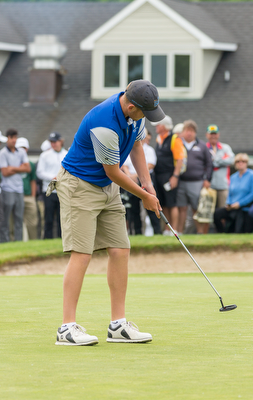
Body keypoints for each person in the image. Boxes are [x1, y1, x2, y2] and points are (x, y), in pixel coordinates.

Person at [54, 79, 162, 346]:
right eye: (145, 112)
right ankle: (66, 328)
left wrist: (148, 184)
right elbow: (112, 171)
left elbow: (137, 147)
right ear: (131, 105)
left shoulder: (137, 115)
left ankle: (118, 325)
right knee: (82, 253)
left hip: (106, 187)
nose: (146, 118)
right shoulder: (105, 123)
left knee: (119, 249)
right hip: (78, 184)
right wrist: (144, 196)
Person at [177, 120, 212, 234]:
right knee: (181, 208)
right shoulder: (178, 144)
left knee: (196, 208)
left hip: (197, 182)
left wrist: (207, 179)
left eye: (192, 131)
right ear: (183, 132)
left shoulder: (202, 146)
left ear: (195, 133)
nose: (189, 133)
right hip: (181, 181)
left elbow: (209, 164)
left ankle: (200, 233)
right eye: (187, 130)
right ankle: (179, 232)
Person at [152, 115, 185, 236]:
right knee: (164, 203)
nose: (156, 127)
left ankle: (174, 229)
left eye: (159, 125)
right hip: (159, 175)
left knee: (172, 203)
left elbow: (179, 159)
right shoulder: (158, 139)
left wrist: (175, 176)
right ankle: (167, 229)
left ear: (165, 126)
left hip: (170, 175)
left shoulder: (174, 139)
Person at [0, 129, 30, 242]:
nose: (14, 140)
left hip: (19, 189)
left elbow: (28, 168)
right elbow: (5, 173)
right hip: (7, 189)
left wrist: (12, 167)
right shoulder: (2, 153)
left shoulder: (21, 152)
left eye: (15, 137)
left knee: (19, 217)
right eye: (12, 138)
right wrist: (20, 168)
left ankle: (18, 242)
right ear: (7, 138)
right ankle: (4, 242)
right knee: (6, 218)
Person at [213, 153, 253, 233]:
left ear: (246, 163)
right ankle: (221, 233)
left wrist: (239, 204)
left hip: (245, 207)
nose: (240, 163)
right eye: (238, 161)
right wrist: (228, 203)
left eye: (243, 161)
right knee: (217, 214)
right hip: (232, 207)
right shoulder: (233, 177)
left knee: (238, 229)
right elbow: (230, 193)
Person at [36, 132, 67, 239]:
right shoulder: (45, 155)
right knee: (48, 218)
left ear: (60, 141)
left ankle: (61, 239)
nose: (53, 144)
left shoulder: (67, 154)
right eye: (51, 142)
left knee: (61, 218)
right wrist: (53, 177)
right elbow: (40, 172)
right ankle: (47, 239)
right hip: (48, 190)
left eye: (55, 141)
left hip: (62, 191)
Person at [205, 124, 234, 233]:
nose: (213, 136)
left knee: (222, 211)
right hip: (209, 186)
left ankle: (222, 232)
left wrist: (214, 161)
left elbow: (230, 159)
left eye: (215, 134)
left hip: (223, 186)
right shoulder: (204, 147)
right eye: (211, 134)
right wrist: (219, 160)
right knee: (208, 211)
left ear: (218, 135)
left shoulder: (225, 147)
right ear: (207, 135)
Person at [15, 137, 39, 240]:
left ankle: (33, 242)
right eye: (19, 148)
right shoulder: (11, 162)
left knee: (32, 223)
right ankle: (14, 243)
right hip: (15, 196)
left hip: (28, 196)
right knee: (15, 223)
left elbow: (33, 181)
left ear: (27, 149)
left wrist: (33, 196)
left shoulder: (31, 164)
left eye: (23, 148)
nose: (22, 150)